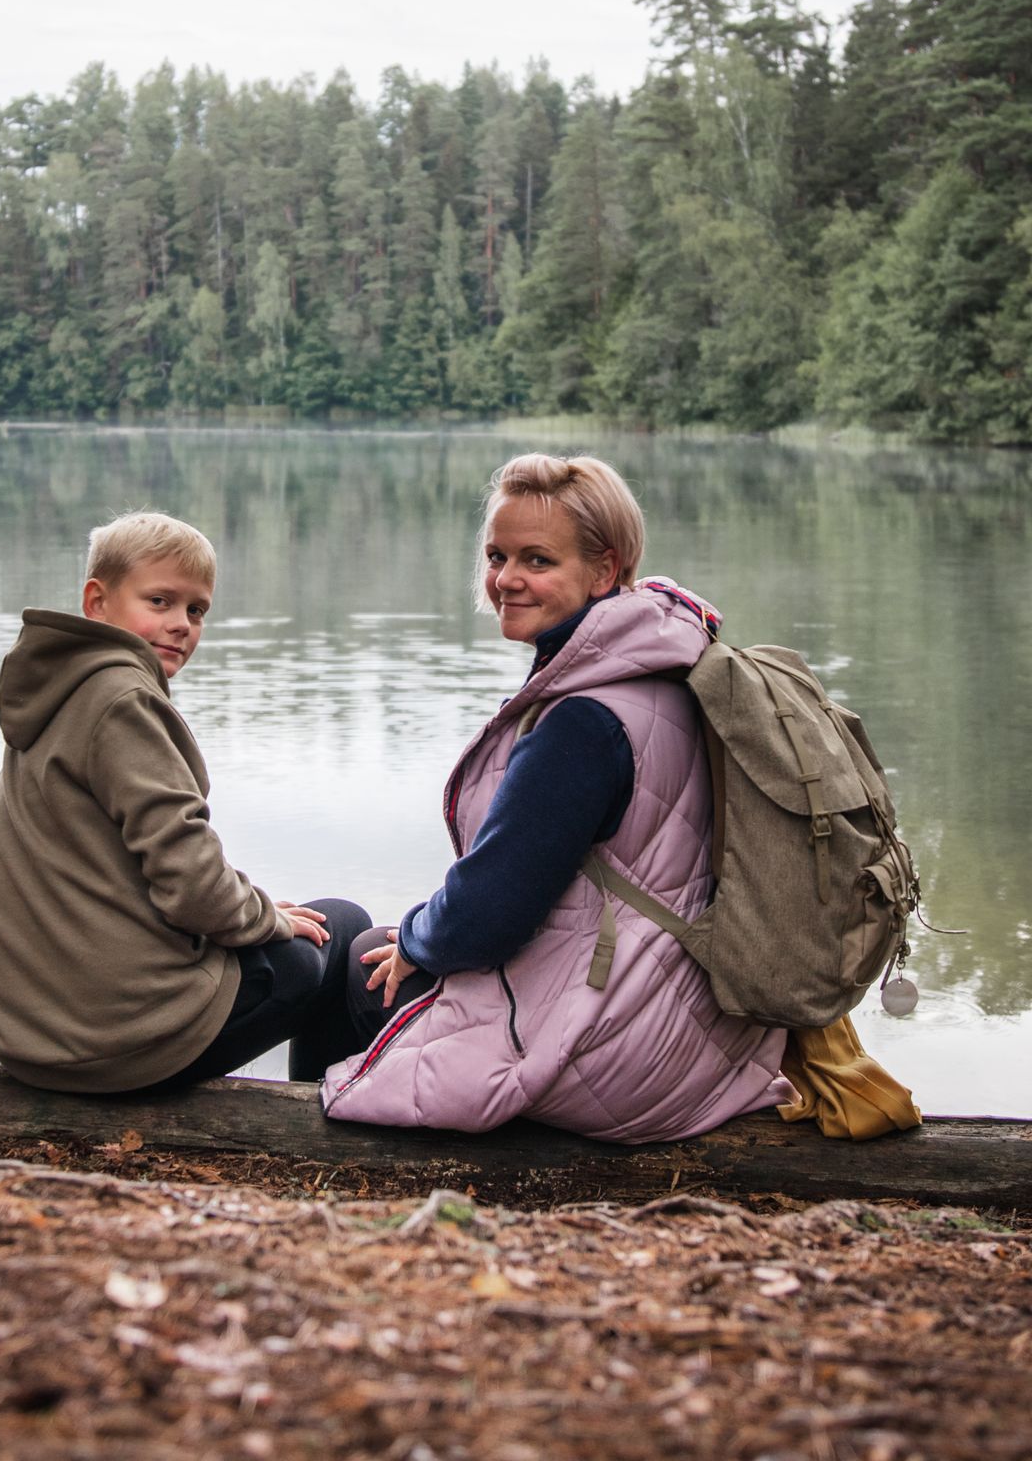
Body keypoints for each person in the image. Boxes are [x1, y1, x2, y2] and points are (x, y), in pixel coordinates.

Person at [322, 454, 789, 1143]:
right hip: (699, 1024)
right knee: (391, 947)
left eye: (537, 560)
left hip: (624, 1052)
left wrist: (420, 939)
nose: (507, 579)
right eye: (497, 555)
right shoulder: (670, 662)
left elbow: (490, 914)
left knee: (362, 961)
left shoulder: (583, 721)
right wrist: (427, 938)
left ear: (605, 570)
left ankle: (322, 1170)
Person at [0, 509, 370, 1093]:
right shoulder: (122, 702)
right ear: (97, 601)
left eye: (196, 609)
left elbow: (132, 874)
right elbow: (193, 886)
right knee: (341, 930)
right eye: (159, 601)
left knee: (294, 928)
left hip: (25, 1032)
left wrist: (252, 916)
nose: (181, 624)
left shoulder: (56, 693)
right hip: (112, 1045)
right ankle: (325, 1126)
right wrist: (264, 918)